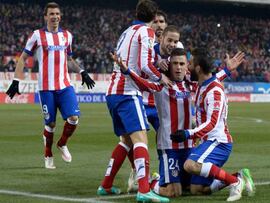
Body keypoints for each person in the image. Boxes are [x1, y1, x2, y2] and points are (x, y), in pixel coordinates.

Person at [112, 48, 247, 198]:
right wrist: (127, 71)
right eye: (175, 63)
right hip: (169, 147)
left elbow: (210, 81)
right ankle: (151, 181)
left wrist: (227, 70)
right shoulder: (162, 84)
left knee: (194, 188)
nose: (179, 67)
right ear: (169, 65)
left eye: (182, 63)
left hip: (189, 145)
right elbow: (144, 84)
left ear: (187, 66)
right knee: (174, 192)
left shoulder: (191, 85)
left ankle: (235, 178)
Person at [5, 2, 95, 170]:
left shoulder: (67, 36)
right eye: (51, 14)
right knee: (51, 124)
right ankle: (48, 154)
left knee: (74, 118)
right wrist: (16, 81)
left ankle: (62, 143)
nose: (55, 16)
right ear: (45, 16)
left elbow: (69, 59)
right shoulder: (37, 35)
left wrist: (82, 72)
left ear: (60, 16)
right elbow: (23, 58)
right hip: (46, 88)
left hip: (64, 85)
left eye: (57, 13)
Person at [97, 1, 170, 202]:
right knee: (141, 141)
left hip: (112, 92)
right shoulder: (146, 32)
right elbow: (145, 64)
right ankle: (144, 190)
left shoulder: (126, 31)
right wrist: (159, 77)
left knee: (126, 142)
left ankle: (106, 185)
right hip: (128, 93)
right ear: (153, 16)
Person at [170, 48, 255, 201]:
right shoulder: (202, 83)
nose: (186, 67)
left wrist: (188, 133)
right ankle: (238, 176)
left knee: (190, 165)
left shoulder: (214, 92)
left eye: (189, 63)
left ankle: (235, 182)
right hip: (207, 141)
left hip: (219, 142)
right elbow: (214, 77)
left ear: (198, 68)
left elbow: (212, 123)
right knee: (198, 189)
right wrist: (227, 70)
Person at [126, 25, 181, 193]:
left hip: (159, 105)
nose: (172, 43)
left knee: (167, 139)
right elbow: (141, 65)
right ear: (161, 37)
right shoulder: (149, 49)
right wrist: (156, 64)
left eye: (175, 41)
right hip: (141, 100)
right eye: (169, 40)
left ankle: (168, 175)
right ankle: (137, 174)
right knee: (130, 142)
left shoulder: (176, 55)